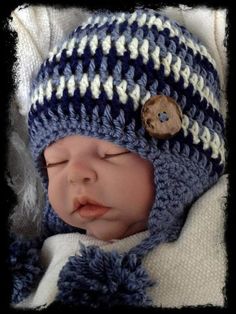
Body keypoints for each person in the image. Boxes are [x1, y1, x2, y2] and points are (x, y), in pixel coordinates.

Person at [9, 8, 225, 309]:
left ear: (182, 164)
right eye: (56, 162)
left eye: (110, 153)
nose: (76, 174)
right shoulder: (45, 256)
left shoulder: (209, 229)